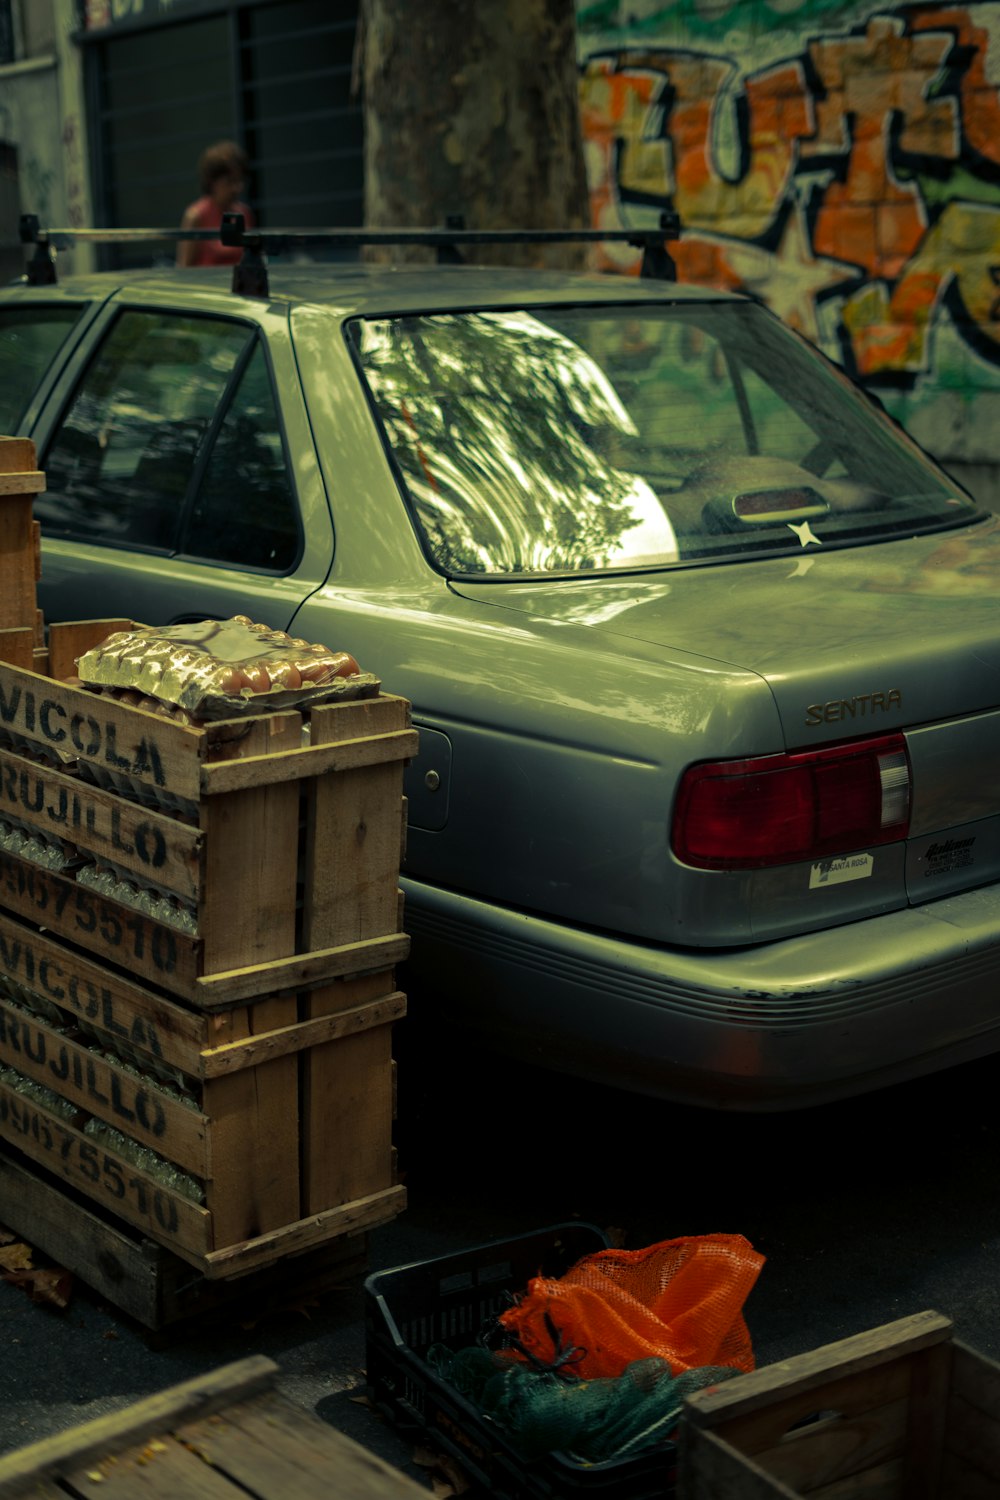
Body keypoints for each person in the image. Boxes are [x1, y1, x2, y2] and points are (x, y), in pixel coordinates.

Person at [177, 141, 255, 268]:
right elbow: (184, 267)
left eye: (240, 180)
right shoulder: (196, 216)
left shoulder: (244, 213)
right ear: (212, 182)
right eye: (230, 181)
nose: (237, 188)